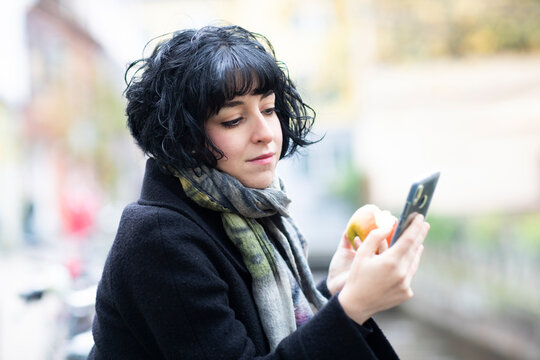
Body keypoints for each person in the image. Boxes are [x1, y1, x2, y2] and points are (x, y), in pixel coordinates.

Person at [88, 25, 429, 359]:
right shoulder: (159, 238)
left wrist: (337, 289)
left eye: (268, 109)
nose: (265, 132)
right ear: (185, 138)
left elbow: (262, 331)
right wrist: (354, 307)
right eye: (234, 119)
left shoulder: (248, 205)